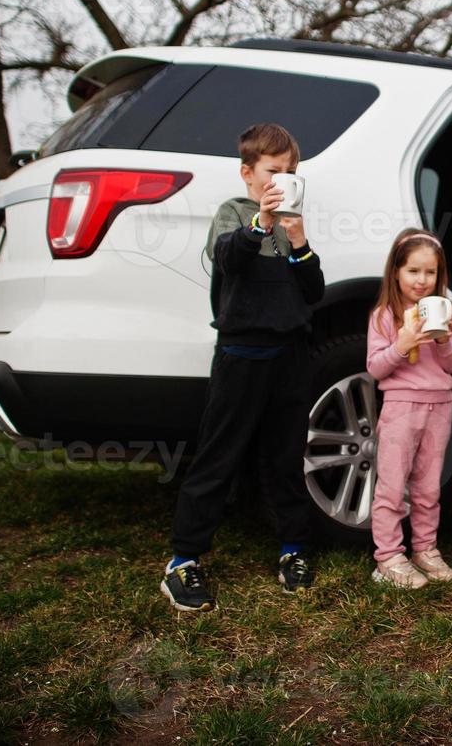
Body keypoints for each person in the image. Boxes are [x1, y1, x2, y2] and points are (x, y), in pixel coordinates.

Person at [161, 122, 325, 610]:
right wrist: (262, 224)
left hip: (289, 358)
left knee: (285, 457)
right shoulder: (233, 216)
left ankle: (293, 548)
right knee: (219, 456)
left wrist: (299, 243)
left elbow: (312, 293)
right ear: (248, 174)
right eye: (274, 171)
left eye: (291, 172)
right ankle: (183, 560)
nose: (283, 180)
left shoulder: (294, 224)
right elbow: (229, 260)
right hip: (241, 356)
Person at [364, 228, 452, 588]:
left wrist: (442, 340)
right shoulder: (384, 315)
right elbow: (376, 368)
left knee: (428, 485)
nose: (422, 280)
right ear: (396, 272)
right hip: (401, 407)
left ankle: (425, 547)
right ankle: (388, 556)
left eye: (430, 272)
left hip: (440, 405)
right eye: (413, 271)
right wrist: (401, 343)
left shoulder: (448, 314)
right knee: (392, 485)